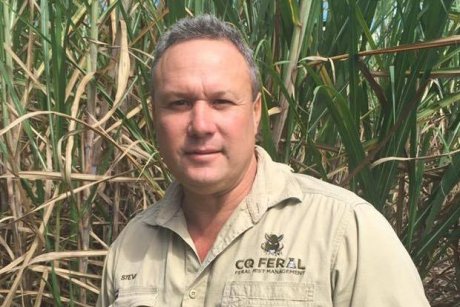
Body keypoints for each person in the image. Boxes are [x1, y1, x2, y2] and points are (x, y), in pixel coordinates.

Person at [97, 14, 430, 306]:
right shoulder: (130, 246)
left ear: (256, 113)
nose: (200, 125)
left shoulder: (346, 231)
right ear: (155, 115)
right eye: (179, 103)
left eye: (221, 101)